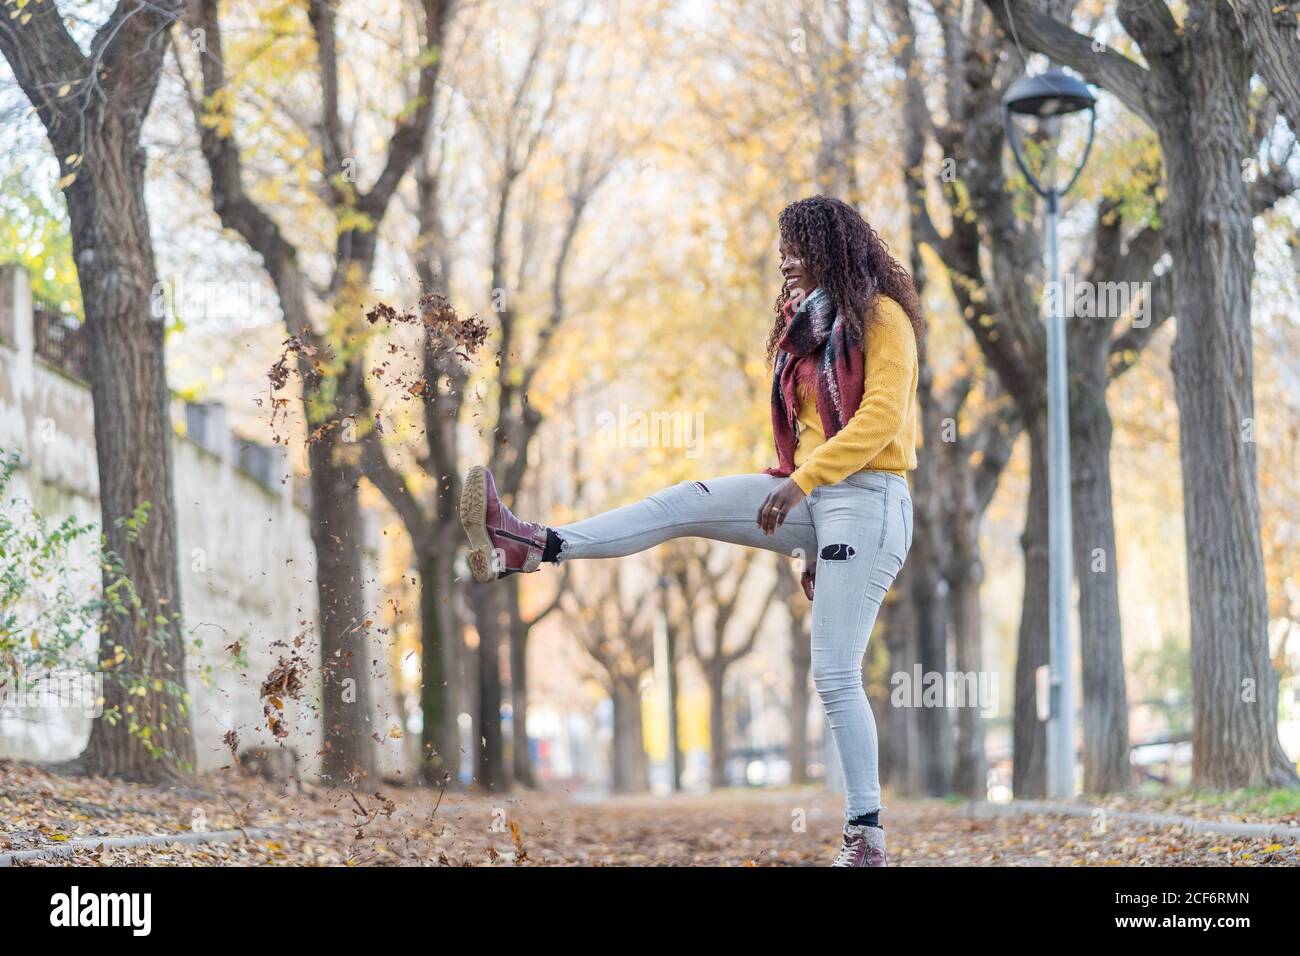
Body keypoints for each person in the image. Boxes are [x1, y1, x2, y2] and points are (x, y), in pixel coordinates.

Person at [459, 195, 922, 867]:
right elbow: (804, 437)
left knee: (834, 673)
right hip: (816, 496)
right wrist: (803, 520)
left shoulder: (883, 319)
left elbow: (879, 420)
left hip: (870, 497)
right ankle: (532, 544)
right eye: (782, 248)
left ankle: (866, 839)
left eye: (798, 247)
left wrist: (801, 490)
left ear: (831, 249)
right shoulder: (805, 333)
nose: (785, 260)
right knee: (684, 501)